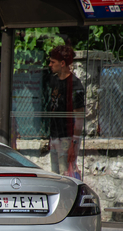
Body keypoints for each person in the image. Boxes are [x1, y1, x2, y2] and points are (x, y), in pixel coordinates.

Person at [46, 45, 85, 179]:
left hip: (67, 137)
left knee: (66, 175)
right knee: (55, 175)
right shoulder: (54, 81)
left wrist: (73, 144)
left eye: (53, 62)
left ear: (62, 64)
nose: (50, 65)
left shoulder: (75, 85)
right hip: (55, 136)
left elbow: (79, 117)